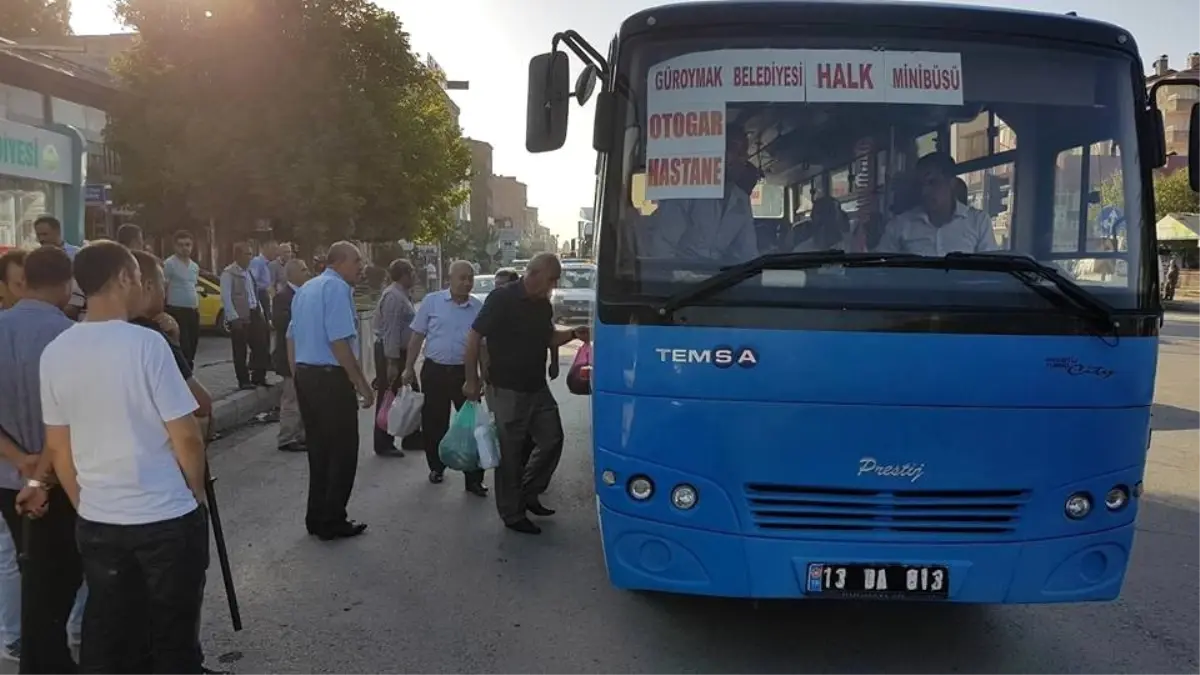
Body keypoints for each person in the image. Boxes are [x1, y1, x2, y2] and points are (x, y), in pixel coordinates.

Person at [37, 240, 209, 674]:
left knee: (108, 632)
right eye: (136, 275)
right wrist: (194, 494)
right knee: (172, 635)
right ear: (122, 278)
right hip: (164, 518)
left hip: (99, 522)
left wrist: (88, 506)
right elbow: (187, 437)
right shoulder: (146, 345)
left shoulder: (56, 351)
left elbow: (59, 448)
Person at [464, 253, 587, 535]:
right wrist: (471, 380)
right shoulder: (501, 299)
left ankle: (529, 491)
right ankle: (512, 513)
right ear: (535, 274)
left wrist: (573, 334)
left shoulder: (542, 305)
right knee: (510, 453)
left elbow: (547, 337)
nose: (553, 286)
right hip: (507, 389)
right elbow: (473, 337)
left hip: (536, 386)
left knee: (552, 438)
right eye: (552, 279)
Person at [0, 246, 80, 673]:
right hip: (57, 481)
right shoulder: (70, 336)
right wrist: (42, 474)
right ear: (67, 283)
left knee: (30, 568)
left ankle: (40, 656)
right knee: (59, 575)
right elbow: (72, 421)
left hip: (9, 478)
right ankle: (46, 661)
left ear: (24, 280)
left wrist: (20, 460)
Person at [287, 241, 374, 540]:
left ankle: (317, 516)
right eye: (356, 261)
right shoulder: (336, 289)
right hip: (329, 378)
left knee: (320, 451)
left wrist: (298, 376)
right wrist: (362, 384)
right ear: (338, 262)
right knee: (342, 451)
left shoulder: (307, 289)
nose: (361, 266)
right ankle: (333, 518)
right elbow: (339, 342)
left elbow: (291, 338)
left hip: (308, 376)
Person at [401, 261, 487, 495]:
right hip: (435, 371)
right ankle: (436, 467)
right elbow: (417, 336)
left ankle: (474, 479)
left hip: (464, 374)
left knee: (471, 426)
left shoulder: (478, 308)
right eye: (462, 278)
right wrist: (408, 367)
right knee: (434, 423)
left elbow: (482, 347)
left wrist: (483, 378)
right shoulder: (432, 302)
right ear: (450, 279)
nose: (467, 282)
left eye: (470, 278)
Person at [634, 122, 761, 263]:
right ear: (716, 151)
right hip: (681, 278)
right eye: (732, 150)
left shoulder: (741, 201)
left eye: (743, 153)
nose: (740, 159)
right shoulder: (689, 191)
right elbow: (662, 246)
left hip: (720, 280)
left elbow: (748, 255)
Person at [875, 152, 999, 255]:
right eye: (921, 185)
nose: (925, 192)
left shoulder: (978, 222)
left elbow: (991, 271)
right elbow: (882, 270)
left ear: (952, 183)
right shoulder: (900, 225)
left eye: (933, 183)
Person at [372, 259, 416, 458]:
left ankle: (412, 434)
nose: (414, 276)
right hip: (392, 353)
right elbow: (390, 331)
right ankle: (383, 441)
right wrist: (392, 362)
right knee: (388, 396)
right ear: (404, 274)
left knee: (412, 393)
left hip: (402, 353)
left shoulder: (402, 295)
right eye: (412, 272)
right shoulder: (393, 297)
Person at [220, 242, 270, 389]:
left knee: (261, 346)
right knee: (240, 350)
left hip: (254, 312)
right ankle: (243, 381)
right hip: (240, 315)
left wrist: (260, 310)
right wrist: (233, 317)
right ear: (238, 256)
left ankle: (259, 377)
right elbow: (226, 297)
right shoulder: (229, 273)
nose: (250, 257)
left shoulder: (249, 272)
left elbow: (253, 292)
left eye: (250, 254)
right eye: (247, 254)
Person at [272, 259, 309, 453]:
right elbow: (279, 322)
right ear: (292, 273)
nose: (307, 272)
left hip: (304, 353)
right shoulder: (283, 296)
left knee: (303, 397)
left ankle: (301, 435)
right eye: (303, 270)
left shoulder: (305, 294)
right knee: (291, 398)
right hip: (288, 355)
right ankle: (286, 437)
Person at [33, 217, 84, 320]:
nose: (41, 239)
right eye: (38, 235)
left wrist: (74, 305)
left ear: (57, 232)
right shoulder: (34, 258)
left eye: (45, 234)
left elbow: (84, 284)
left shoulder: (77, 255)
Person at [164, 230, 202, 369]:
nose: (185, 248)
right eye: (181, 245)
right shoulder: (170, 264)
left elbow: (193, 286)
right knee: (182, 346)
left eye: (188, 244)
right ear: (175, 246)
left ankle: (189, 374)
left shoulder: (194, 266)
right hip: (176, 310)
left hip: (192, 310)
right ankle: (181, 377)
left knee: (192, 345)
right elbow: (164, 286)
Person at [249, 241, 276, 320]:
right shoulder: (257, 262)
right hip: (261, 295)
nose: (275, 253)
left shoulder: (268, 263)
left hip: (267, 294)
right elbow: (253, 280)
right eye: (273, 249)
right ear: (266, 249)